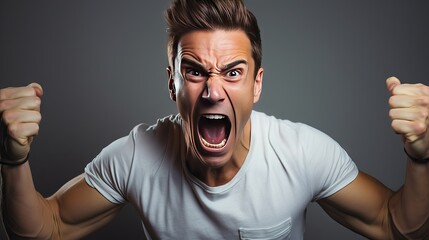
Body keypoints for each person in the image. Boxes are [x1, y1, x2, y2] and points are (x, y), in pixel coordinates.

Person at [1, 0, 429, 239]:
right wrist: (13, 162)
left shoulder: (301, 153)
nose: (212, 90)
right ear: (172, 84)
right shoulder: (137, 156)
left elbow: (395, 224)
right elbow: (48, 227)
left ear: (257, 85)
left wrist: (422, 158)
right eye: (194, 70)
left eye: (233, 72)